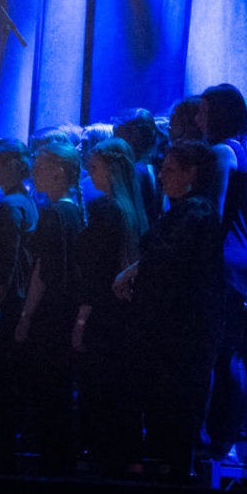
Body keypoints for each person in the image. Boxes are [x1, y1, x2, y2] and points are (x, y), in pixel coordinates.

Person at [113, 140, 224, 481]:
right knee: (162, 413)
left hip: (181, 336)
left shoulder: (198, 214)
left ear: (193, 173)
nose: (161, 176)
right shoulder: (178, 212)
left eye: (170, 170)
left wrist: (136, 271)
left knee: (176, 413)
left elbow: (171, 263)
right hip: (165, 333)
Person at [71, 137, 148, 476]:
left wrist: (82, 319)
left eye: (94, 167)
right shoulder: (134, 210)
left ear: (111, 169)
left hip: (101, 314)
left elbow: (96, 271)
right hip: (124, 315)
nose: (89, 173)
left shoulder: (104, 209)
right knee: (122, 394)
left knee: (97, 393)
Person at [14, 140, 87, 475]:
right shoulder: (75, 212)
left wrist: (26, 317)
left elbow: (42, 271)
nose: (33, 172)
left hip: (49, 317)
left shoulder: (53, 213)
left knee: (48, 402)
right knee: (60, 401)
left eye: (40, 166)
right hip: (67, 315)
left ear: (59, 171)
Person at [201, 83, 247, 461]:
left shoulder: (223, 151)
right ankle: (236, 435)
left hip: (225, 259)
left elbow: (214, 211)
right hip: (246, 258)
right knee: (234, 351)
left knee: (223, 353)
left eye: (203, 111)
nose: (197, 118)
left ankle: (222, 436)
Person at [0, 137, 38, 473]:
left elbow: (5, 263)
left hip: (4, 305)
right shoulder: (26, 203)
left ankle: (0, 464)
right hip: (14, 303)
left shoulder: (8, 208)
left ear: (16, 164)